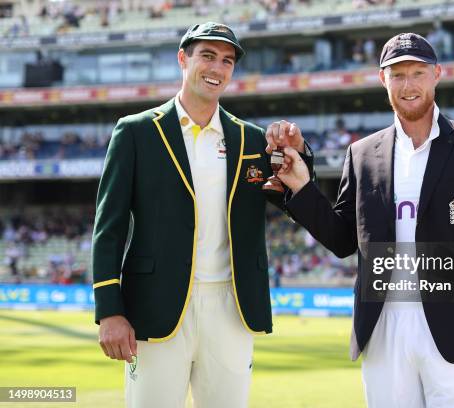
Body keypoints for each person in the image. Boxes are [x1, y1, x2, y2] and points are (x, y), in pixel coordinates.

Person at [278, 33, 454, 407]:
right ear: (383, 80)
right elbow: (345, 240)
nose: (408, 85)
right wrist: (301, 188)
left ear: (437, 75)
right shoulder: (361, 154)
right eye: (397, 75)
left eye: (417, 73)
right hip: (383, 330)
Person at [92, 22, 313, 408]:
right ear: (183, 59)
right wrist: (109, 311)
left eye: (227, 61)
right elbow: (107, 229)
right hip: (155, 309)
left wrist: (300, 150)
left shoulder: (251, 139)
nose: (217, 68)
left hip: (232, 309)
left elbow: (295, 201)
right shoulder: (135, 132)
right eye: (207, 56)